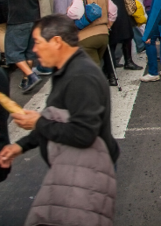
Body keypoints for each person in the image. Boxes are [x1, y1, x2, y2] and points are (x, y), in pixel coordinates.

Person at [0, 15, 119, 225]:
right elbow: (55, 118)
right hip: (73, 169)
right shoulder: (66, 70)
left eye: (37, 42)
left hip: (87, 174)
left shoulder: (81, 77)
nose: (34, 50)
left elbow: (83, 134)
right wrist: (20, 146)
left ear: (56, 42)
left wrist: (37, 123)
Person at [0, 0, 42, 92]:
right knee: (29, 53)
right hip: (35, 17)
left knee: (13, 52)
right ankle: (25, 80)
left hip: (18, 20)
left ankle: (31, 76)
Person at [94, 0, 141, 73]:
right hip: (121, 10)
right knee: (126, 38)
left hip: (108, 13)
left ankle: (110, 68)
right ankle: (128, 61)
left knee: (111, 41)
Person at [66, 0, 116, 70]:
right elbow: (113, 11)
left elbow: (75, 13)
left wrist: (68, 10)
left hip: (87, 37)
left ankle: (96, 84)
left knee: (93, 67)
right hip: (103, 35)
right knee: (97, 61)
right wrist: (109, 24)